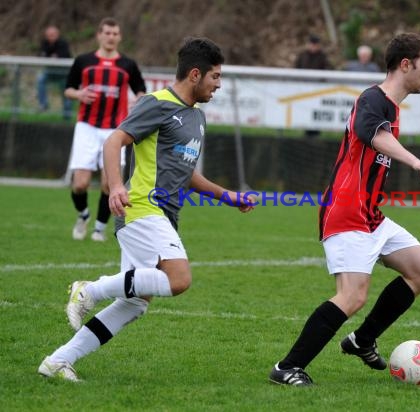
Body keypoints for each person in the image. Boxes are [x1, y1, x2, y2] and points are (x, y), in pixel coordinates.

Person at [38, 37, 255, 382]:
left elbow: (186, 173)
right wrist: (116, 184)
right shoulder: (158, 103)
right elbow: (114, 141)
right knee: (179, 279)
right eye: (215, 77)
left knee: (135, 303)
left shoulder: (196, 117)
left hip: (165, 214)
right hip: (142, 208)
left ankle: (57, 361)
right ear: (195, 74)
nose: (218, 85)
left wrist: (227, 196)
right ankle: (89, 290)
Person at [269, 33, 420, 386]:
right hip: (346, 211)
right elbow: (370, 134)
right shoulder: (372, 99)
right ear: (405, 65)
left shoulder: (391, 108)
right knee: (352, 296)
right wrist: (414, 160)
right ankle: (287, 367)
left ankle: (361, 340)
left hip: (370, 214)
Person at [65, 17, 147, 242]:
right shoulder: (83, 61)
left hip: (115, 130)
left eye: (115, 33)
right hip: (86, 126)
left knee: (107, 182)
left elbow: (141, 91)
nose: (111, 37)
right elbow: (68, 89)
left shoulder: (128, 65)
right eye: (107, 33)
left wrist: (137, 101)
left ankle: (99, 228)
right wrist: (79, 94)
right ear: (99, 35)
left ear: (119, 37)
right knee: (80, 183)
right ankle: (83, 216)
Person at [295, 34, 331, 139]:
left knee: (316, 110)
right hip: (304, 89)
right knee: (304, 109)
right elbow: (296, 69)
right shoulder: (302, 56)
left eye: (315, 45)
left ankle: (315, 131)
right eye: (312, 44)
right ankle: (306, 129)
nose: (313, 47)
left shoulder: (323, 57)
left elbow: (328, 71)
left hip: (317, 90)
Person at [36, 25, 73, 119]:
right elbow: (41, 54)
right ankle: (43, 104)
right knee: (41, 79)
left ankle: (67, 114)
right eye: (49, 35)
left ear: (57, 34)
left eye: (52, 35)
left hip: (63, 73)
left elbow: (65, 55)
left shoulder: (63, 43)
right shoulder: (45, 43)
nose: (50, 37)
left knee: (66, 92)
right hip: (50, 72)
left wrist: (56, 56)